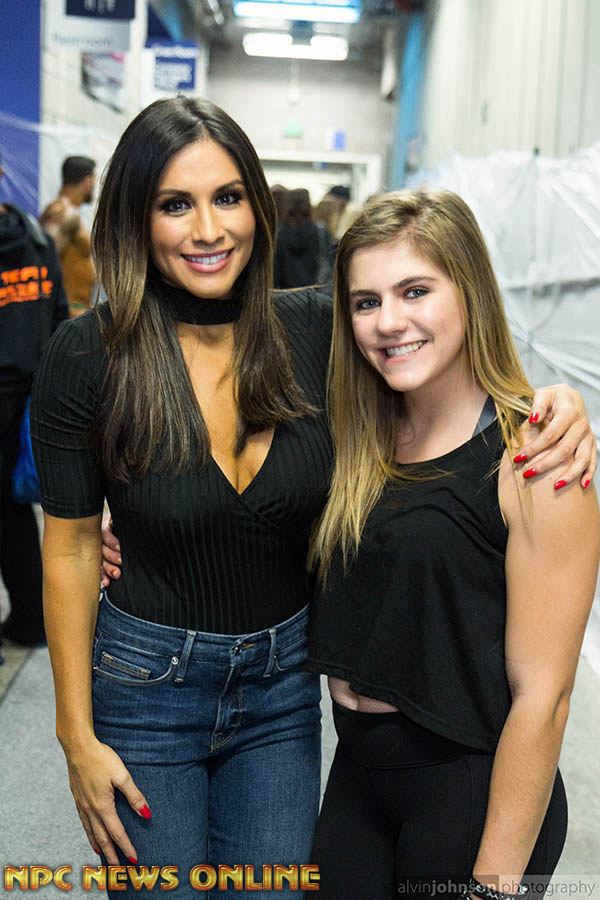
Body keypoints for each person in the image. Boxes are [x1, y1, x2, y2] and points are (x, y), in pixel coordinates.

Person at [33, 96, 593, 897]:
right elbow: (70, 545)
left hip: (281, 693)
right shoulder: (88, 355)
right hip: (148, 688)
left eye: (228, 197)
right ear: (135, 217)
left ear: (257, 207)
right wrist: (74, 735)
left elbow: (439, 353)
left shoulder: (317, 331)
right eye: (175, 204)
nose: (208, 229)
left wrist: (554, 403)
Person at [305, 190, 600, 899]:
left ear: (469, 292)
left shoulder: (535, 457)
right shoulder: (357, 435)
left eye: (415, 291)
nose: (389, 322)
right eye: (367, 301)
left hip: (470, 786)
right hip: (357, 774)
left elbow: (546, 697)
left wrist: (495, 886)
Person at [0, 150, 69, 646]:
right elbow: (60, 316)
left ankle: (27, 620)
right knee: (14, 513)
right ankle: (28, 619)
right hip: (31, 398)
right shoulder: (38, 238)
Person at [39, 155, 96, 317]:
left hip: (73, 311)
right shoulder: (64, 214)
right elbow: (43, 260)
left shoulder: (67, 212)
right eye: (94, 181)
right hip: (67, 313)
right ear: (88, 181)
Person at [274, 188, 332, 288]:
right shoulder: (320, 231)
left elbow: (275, 267)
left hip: (285, 291)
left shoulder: (278, 233)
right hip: (315, 290)